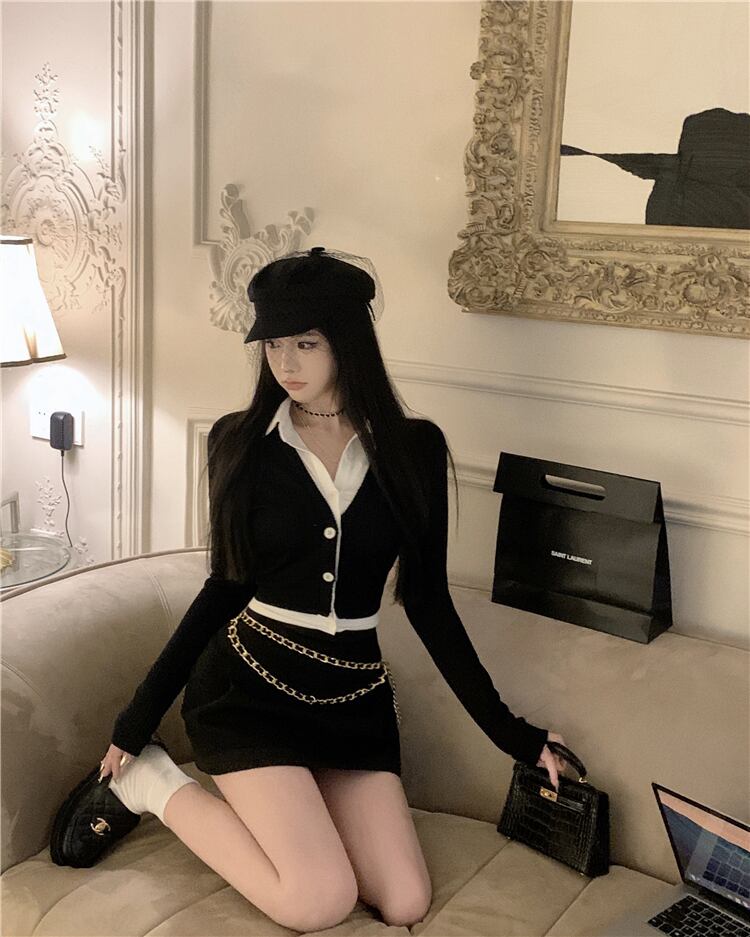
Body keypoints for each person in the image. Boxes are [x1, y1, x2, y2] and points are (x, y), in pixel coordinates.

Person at [49, 247, 569, 931]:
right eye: (272, 345)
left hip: (351, 704)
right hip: (250, 696)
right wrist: (134, 723)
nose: (285, 363)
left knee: (406, 900)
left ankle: (306, 798)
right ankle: (154, 781)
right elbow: (223, 588)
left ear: (347, 341)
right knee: (318, 898)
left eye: (306, 343)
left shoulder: (413, 449)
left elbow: (429, 602)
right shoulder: (241, 443)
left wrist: (516, 736)